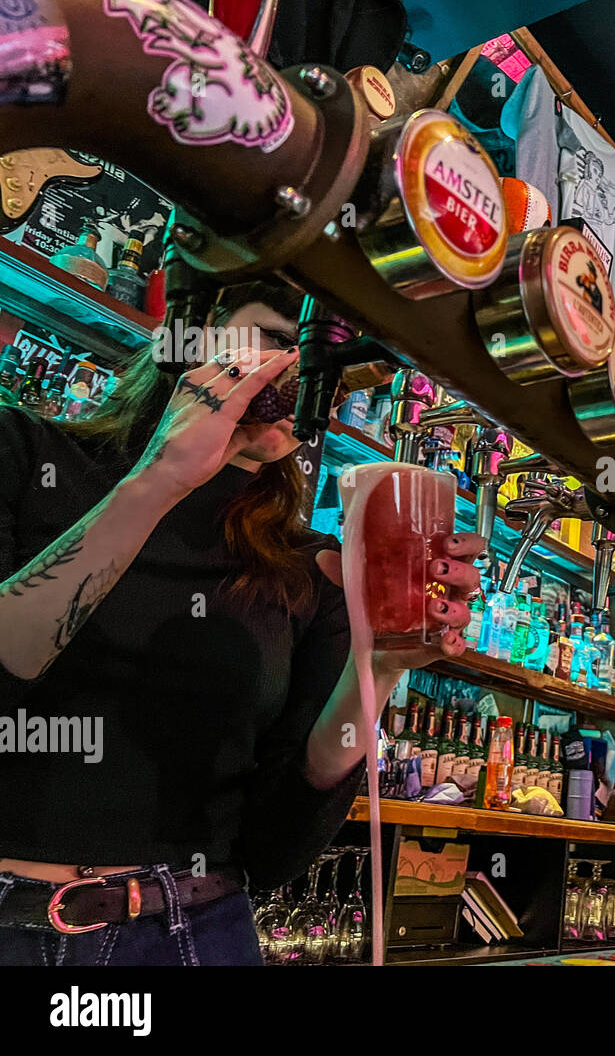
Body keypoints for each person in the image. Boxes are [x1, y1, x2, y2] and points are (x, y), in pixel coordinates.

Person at [0, 280, 484, 965]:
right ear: (190, 331)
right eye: (277, 341)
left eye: (320, 367)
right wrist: (163, 477)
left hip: (194, 935)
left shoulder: (309, 568)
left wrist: (375, 673)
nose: (295, 373)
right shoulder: (23, 454)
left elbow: (275, 847)